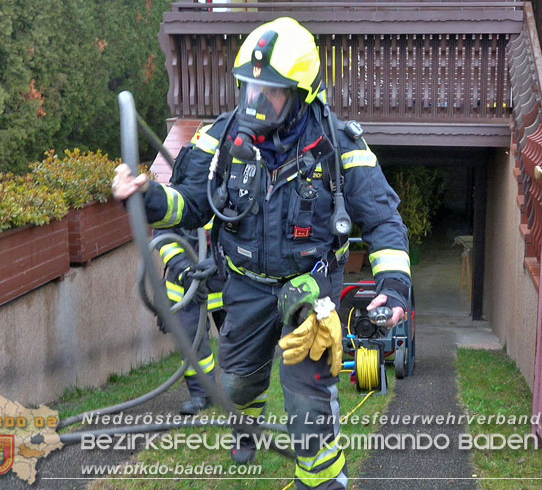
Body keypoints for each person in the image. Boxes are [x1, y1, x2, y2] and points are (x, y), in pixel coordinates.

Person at [112, 17, 411, 489]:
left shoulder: (340, 148)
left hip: (309, 293)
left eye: (267, 92)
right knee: (237, 385)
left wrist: (394, 289)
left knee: (309, 405)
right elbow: (189, 203)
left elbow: (383, 221)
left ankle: (324, 481)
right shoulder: (219, 139)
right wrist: (146, 196)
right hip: (245, 287)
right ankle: (246, 427)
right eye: (247, 87)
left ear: (301, 95)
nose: (253, 101)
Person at [154, 219, 226, 415]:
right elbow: (164, 238)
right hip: (186, 284)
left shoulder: (231, 189)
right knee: (190, 341)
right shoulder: (180, 194)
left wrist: (219, 262)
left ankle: (239, 388)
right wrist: (185, 272)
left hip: (225, 281)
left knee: (238, 339)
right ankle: (201, 394)